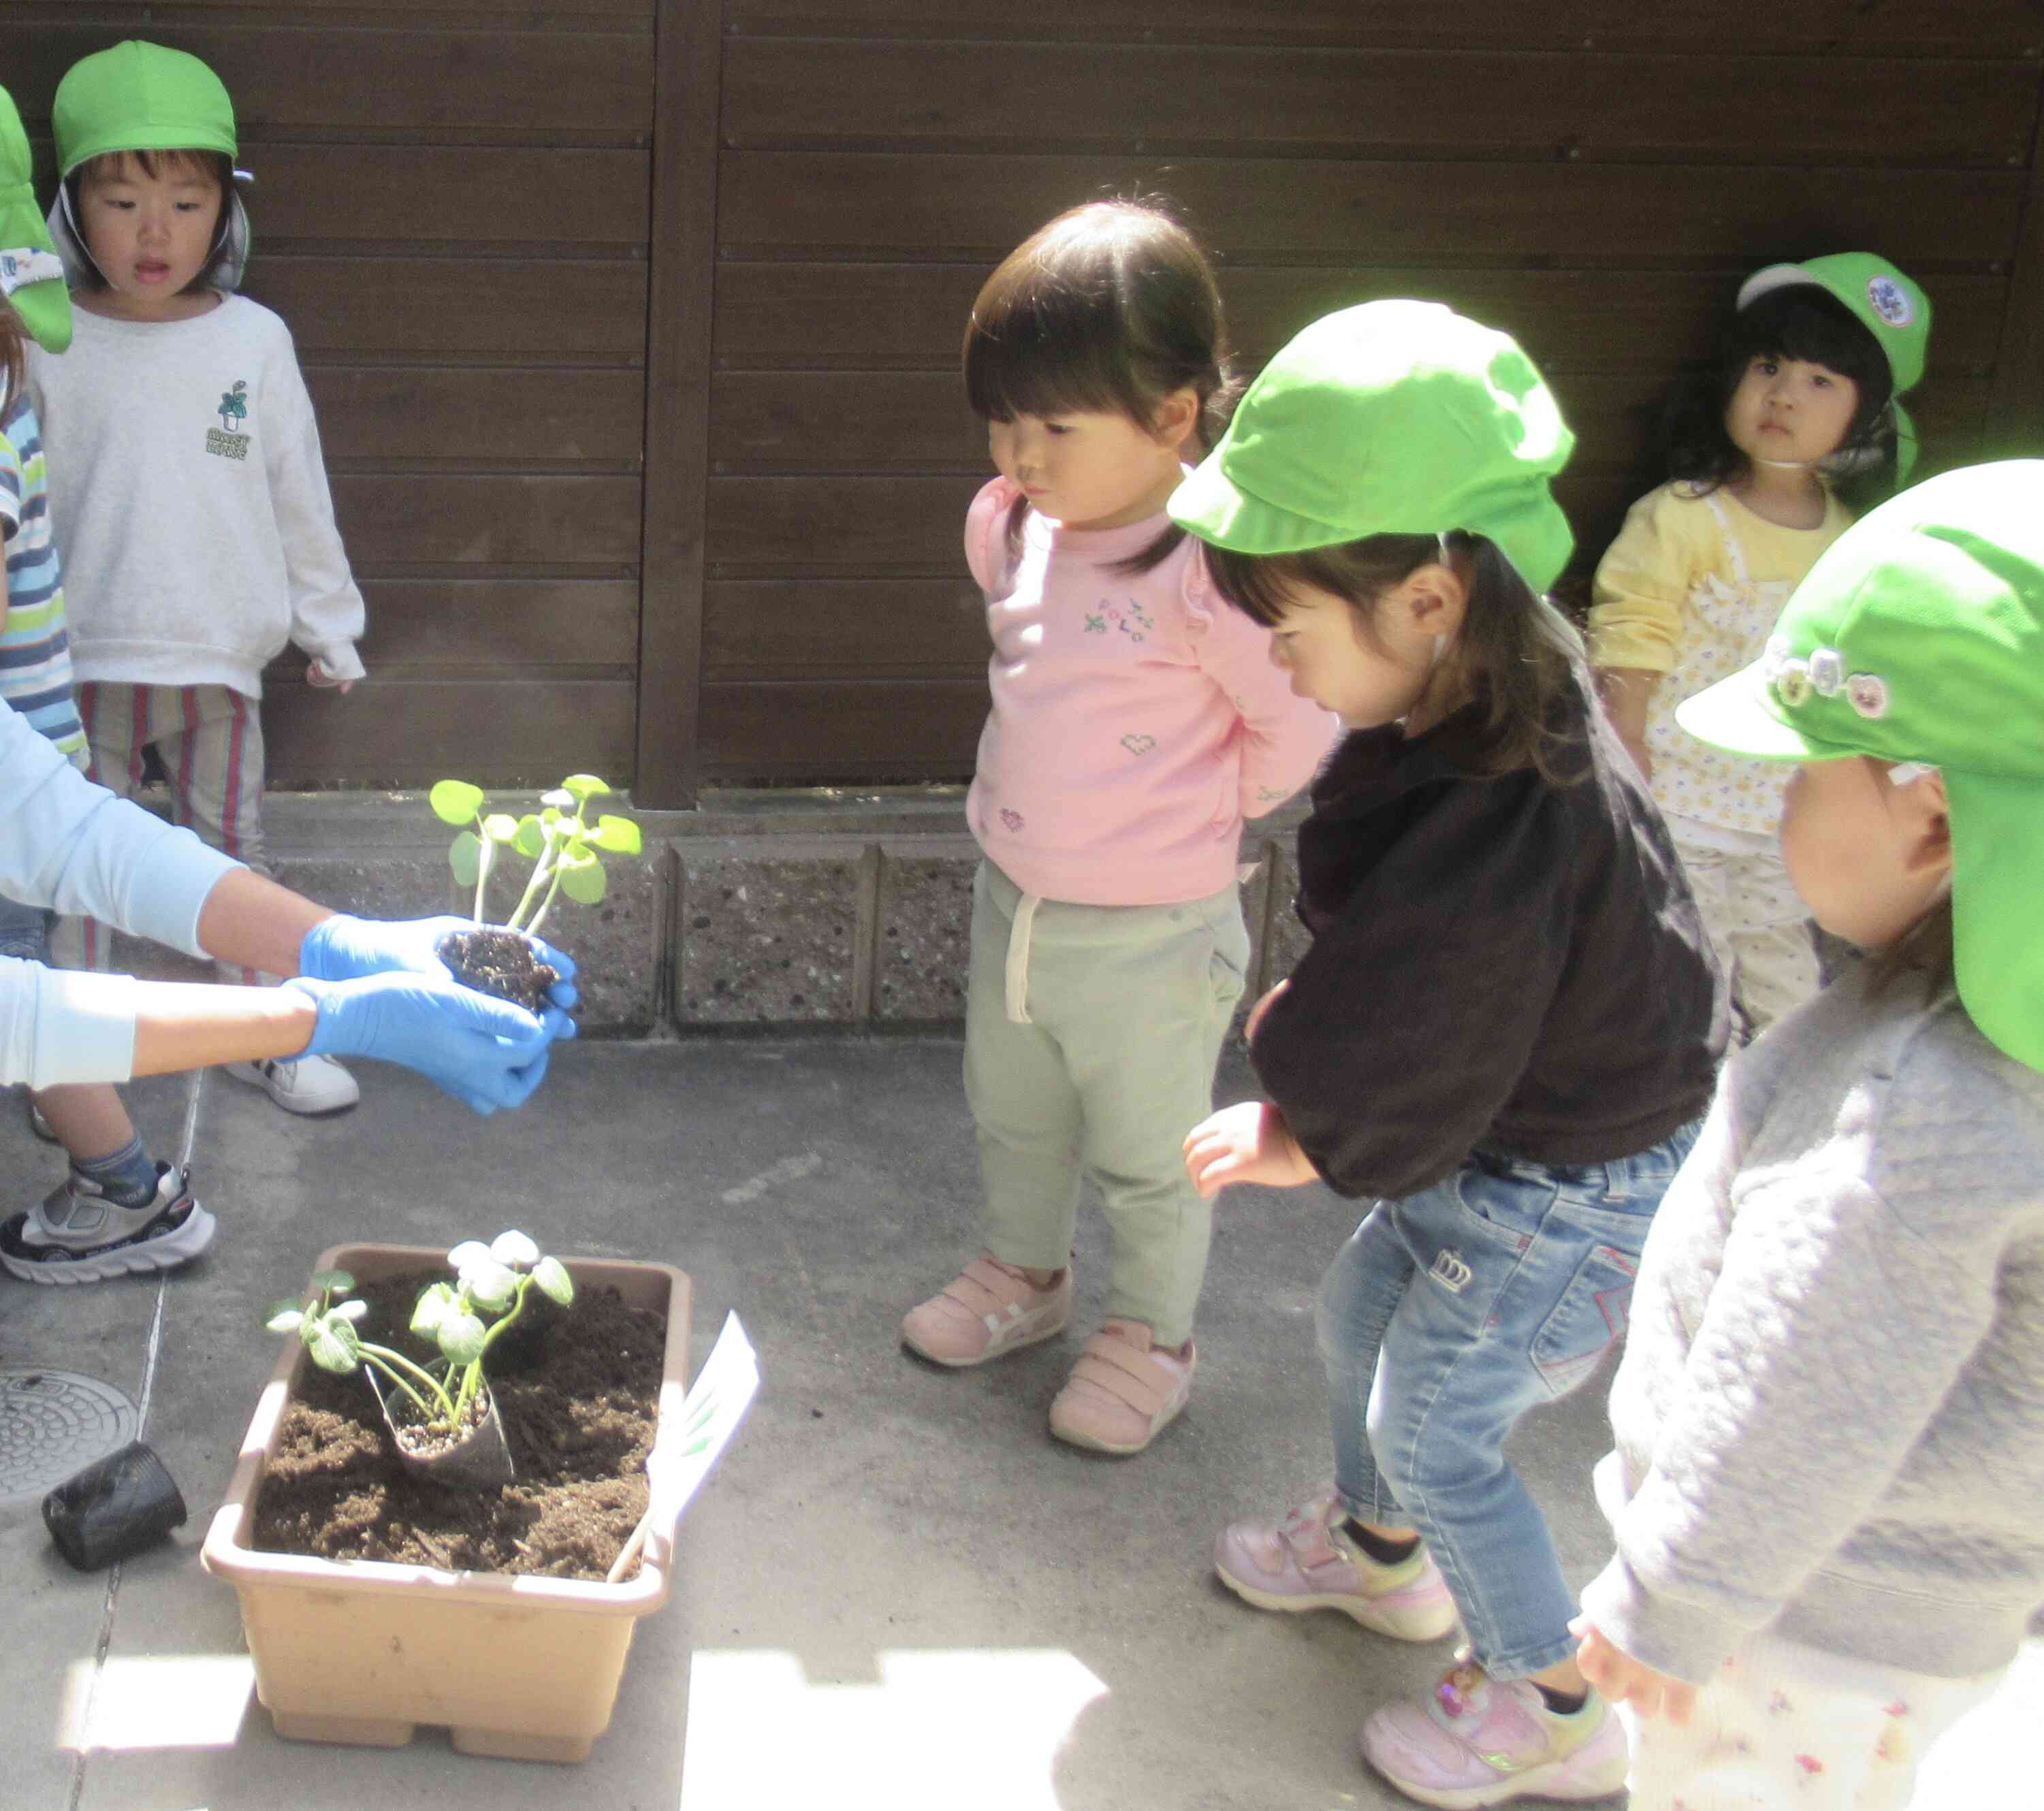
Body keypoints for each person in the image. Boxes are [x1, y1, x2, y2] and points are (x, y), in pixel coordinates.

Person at [1173, 301, 1725, 1806]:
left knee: (1437, 1429)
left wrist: (1303, 1122)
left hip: (1566, 1182)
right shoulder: (1483, 674)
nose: (1280, 665)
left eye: (1288, 631)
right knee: (1364, 1320)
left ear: (1423, 596)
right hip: (1513, 1136)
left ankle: (1552, 1702)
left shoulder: (1512, 801)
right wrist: (1329, 1072)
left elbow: (1431, 1005)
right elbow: (1415, 972)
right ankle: (1374, 1554)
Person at [1574, 460, 2044, 1810]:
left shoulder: (1911, 1114)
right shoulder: (1981, 1046)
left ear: (1933, 814)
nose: (1776, 807)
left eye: (1800, 777)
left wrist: (1672, 1597)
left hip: (1797, 1636)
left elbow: (1807, 1385)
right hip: (1901, 1621)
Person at [899, 199, 1337, 1455]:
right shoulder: (1015, 525)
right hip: (1017, 906)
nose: (1020, 453)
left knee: (1152, 1154)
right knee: (1015, 1113)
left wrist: (1206, 812)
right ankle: (1025, 1278)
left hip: (1154, 931)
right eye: (1004, 420)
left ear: (1172, 418)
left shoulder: (1209, 570)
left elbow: (1298, 718)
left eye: (1055, 426)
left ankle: (1154, 1333)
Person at [28, 39, 369, 1117]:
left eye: (185, 199)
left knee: (234, 857)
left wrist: (330, 624)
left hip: (220, 655)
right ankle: (73, 1063)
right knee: (70, 872)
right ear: (72, 210)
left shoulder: (254, 342)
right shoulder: (42, 341)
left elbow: (295, 491)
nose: (155, 230)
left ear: (228, 210)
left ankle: (264, 1032)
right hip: (76, 660)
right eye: (122, 200)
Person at [1588, 253, 1930, 1040]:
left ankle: (1779, 1109)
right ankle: (1680, 1117)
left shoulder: (1852, 539)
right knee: (1678, 970)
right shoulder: (1683, 515)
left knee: (1784, 975)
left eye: (1821, 381)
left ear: (1865, 417)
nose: (1783, 394)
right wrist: (1624, 738)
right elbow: (1633, 624)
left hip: (1787, 816)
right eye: (1767, 366)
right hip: (1679, 798)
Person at [1, 80, 204, 1274]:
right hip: (27, 769)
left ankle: (132, 1191)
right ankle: (130, 1188)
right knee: (23, 1004)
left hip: (13, 782)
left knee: (27, 1007)